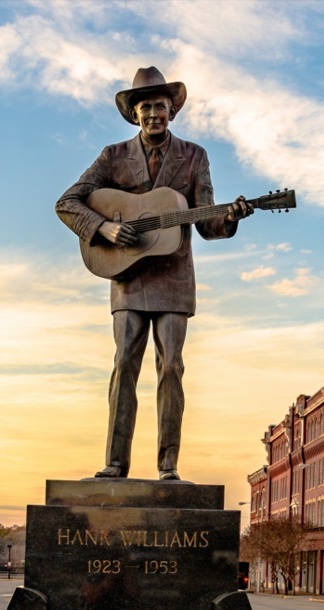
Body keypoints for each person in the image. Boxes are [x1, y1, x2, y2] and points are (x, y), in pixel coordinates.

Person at [56, 66, 252, 481]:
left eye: (160, 106)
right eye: (146, 107)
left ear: (172, 110)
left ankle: (168, 465)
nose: (153, 114)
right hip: (126, 276)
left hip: (174, 277)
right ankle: (115, 462)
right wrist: (105, 227)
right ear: (134, 114)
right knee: (124, 362)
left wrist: (230, 219)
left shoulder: (195, 156)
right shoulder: (112, 157)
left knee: (171, 367)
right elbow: (67, 202)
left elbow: (207, 223)